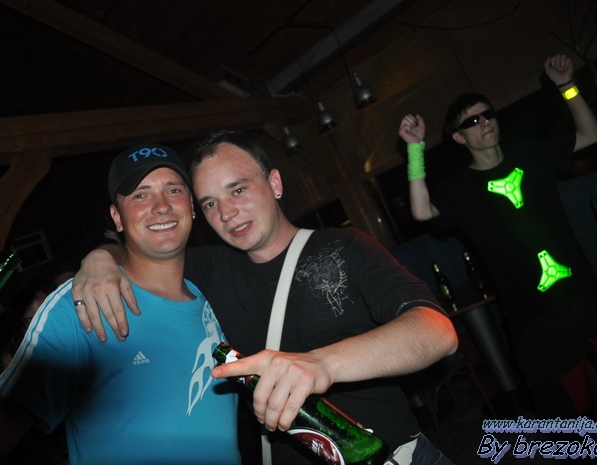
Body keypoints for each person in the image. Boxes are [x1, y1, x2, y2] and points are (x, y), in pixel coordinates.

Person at [72, 130, 459, 464]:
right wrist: (100, 258)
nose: (227, 213)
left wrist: (322, 364)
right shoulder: (209, 270)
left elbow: (436, 332)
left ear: (274, 183)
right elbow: (144, 250)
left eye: (238, 190)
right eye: (210, 203)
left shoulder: (344, 247)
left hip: (388, 456)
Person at [0, 143, 242, 465]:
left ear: (191, 205)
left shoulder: (213, 296)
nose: (161, 206)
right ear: (117, 218)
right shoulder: (78, 306)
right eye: (140, 195)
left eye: (173, 190)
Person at [398, 54, 597, 418]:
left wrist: (567, 86)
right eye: (472, 121)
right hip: (534, 313)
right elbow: (422, 211)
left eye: (488, 114)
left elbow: (591, 134)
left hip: (583, 291)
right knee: (573, 409)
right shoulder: (461, 189)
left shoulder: (531, 154)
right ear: (459, 137)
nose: (485, 122)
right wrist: (414, 149)